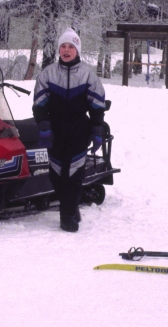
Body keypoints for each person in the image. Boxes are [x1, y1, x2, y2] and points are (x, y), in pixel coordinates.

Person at [32, 28, 107, 233]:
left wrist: (97, 129)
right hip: (54, 130)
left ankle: (66, 216)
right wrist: (44, 126)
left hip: (78, 130)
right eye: (63, 46)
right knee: (56, 173)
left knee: (74, 173)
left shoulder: (87, 75)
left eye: (71, 47)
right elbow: (39, 104)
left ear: (77, 50)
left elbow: (97, 106)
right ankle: (72, 206)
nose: (66, 50)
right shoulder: (48, 74)